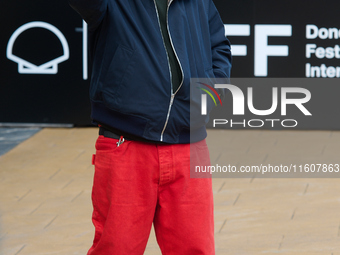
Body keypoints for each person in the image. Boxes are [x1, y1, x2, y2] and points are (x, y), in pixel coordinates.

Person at [68, 0, 232, 254]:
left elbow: (218, 47)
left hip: (189, 145)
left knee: (194, 249)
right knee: (116, 248)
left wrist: (207, 96)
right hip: (126, 145)